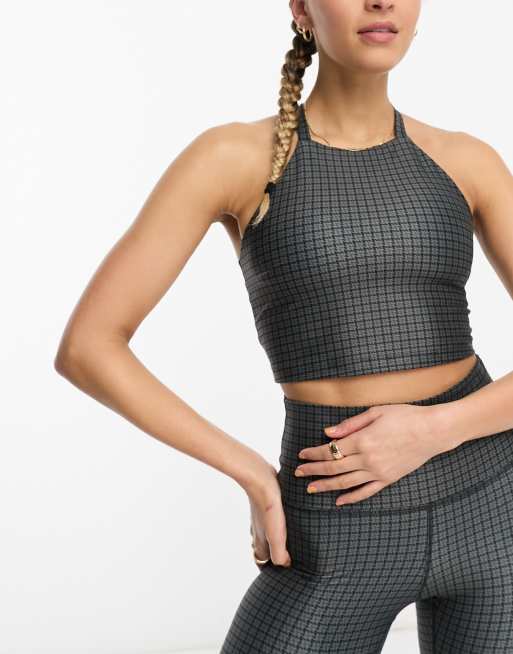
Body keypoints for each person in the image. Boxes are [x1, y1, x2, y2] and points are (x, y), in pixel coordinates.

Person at [54, 0, 513, 652]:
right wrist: (250, 472)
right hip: (332, 520)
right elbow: (88, 347)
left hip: (494, 507)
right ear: (301, 8)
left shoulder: (467, 161)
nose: (380, 1)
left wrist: (434, 430)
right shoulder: (233, 157)